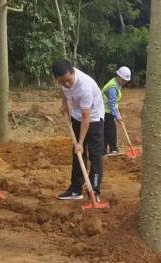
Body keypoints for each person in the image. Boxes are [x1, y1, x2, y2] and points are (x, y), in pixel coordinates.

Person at [52, 60, 105, 201]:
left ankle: (95, 191)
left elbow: (86, 117)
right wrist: (64, 104)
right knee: (77, 153)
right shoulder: (63, 79)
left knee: (94, 155)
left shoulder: (85, 86)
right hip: (77, 116)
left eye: (68, 80)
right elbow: (65, 90)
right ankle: (76, 189)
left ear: (73, 72)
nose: (67, 84)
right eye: (62, 82)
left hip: (93, 118)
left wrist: (81, 142)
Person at [102, 66, 131, 156]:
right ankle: (113, 149)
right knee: (111, 130)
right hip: (105, 111)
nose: (125, 82)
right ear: (119, 76)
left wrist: (116, 113)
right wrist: (116, 116)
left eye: (126, 80)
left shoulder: (117, 83)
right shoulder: (112, 87)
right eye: (123, 80)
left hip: (107, 110)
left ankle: (103, 150)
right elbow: (111, 103)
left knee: (106, 130)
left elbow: (114, 102)